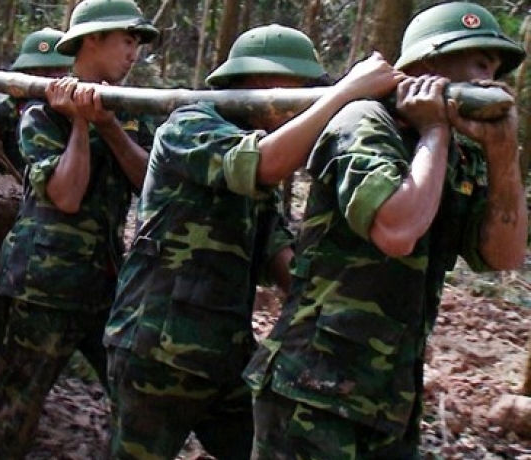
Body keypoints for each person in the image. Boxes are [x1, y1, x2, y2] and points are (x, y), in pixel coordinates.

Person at [103, 24, 403, 460]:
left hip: (225, 357)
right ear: (263, 83)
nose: (305, 105)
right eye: (301, 91)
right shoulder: (190, 125)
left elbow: (282, 258)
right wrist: (345, 93)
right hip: (157, 349)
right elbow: (257, 165)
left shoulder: (264, 159)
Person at [243, 1, 528, 459]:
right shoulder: (363, 121)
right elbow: (396, 230)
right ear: (429, 66)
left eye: (496, 67)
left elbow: (503, 256)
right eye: (479, 60)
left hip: (392, 396)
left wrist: (503, 155)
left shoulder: (462, 152)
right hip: (314, 389)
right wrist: (434, 130)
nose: (490, 77)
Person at [0, 0, 158, 460]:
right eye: (127, 40)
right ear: (92, 40)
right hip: (46, 283)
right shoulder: (41, 111)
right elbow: (66, 195)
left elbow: (148, 184)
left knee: (136, 397)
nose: (135, 53)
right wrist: (78, 124)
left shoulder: (129, 111)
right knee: (15, 405)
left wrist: (109, 125)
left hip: (108, 279)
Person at [0, 27, 74, 392]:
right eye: (36, 74)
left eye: (54, 74)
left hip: (44, 251)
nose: (45, 81)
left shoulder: (72, 119)